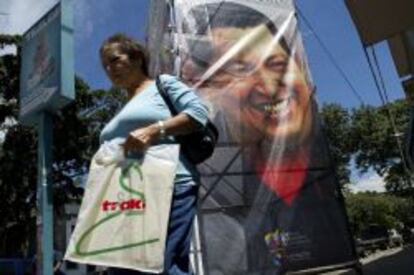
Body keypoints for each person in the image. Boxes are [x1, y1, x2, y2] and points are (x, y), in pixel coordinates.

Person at [177, 2, 356, 274]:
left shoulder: (323, 178)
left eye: (276, 64)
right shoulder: (214, 199)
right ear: (210, 89)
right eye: (240, 69)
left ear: (298, 66)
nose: (270, 86)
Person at [99, 33, 209, 274]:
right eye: (105, 65)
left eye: (114, 60)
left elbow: (199, 113)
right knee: (124, 267)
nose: (109, 69)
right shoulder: (124, 106)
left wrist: (153, 130)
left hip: (167, 183)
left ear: (137, 58)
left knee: (161, 264)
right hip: (126, 193)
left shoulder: (162, 85)